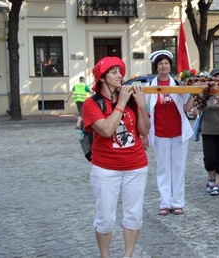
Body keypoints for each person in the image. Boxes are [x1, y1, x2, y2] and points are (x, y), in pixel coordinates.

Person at [82, 56, 150, 258]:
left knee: (134, 216)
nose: (119, 75)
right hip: (106, 168)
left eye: (120, 71)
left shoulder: (129, 100)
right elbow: (106, 130)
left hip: (136, 166)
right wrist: (121, 103)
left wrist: (141, 106)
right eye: (113, 72)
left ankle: (127, 256)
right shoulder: (91, 104)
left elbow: (144, 130)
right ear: (102, 78)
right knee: (105, 219)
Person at [146, 50, 195, 215]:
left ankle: (178, 202)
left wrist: (194, 92)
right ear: (156, 67)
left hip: (179, 133)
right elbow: (145, 110)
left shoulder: (178, 84)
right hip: (160, 133)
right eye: (160, 64)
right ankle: (165, 202)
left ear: (170, 66)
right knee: (163, 168)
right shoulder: (149, 87)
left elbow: (187, 108)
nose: (163, 66)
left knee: (178, 167)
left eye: (166, 63)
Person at [192, 68, 219, 196]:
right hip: (208, 130)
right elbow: (197, 107)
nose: (218, 79)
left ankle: (218, 184)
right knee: (209, 159)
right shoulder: (206, 93)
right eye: (216, 77)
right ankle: (211, 178)